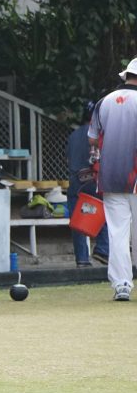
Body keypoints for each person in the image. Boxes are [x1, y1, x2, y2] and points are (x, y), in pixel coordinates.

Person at [88, 59, 137, 301]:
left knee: (117, 233)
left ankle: (122, 285)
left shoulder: (103, 102)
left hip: (110, 176)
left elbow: (93, 139)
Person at [67, 100, 109, 267]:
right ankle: (103, 249)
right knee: (106, 213)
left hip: (77, 182)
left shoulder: (73, 135)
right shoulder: (101, 134)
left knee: (78, 221)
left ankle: (82, 259)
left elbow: (69, 159)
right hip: (95, 180)